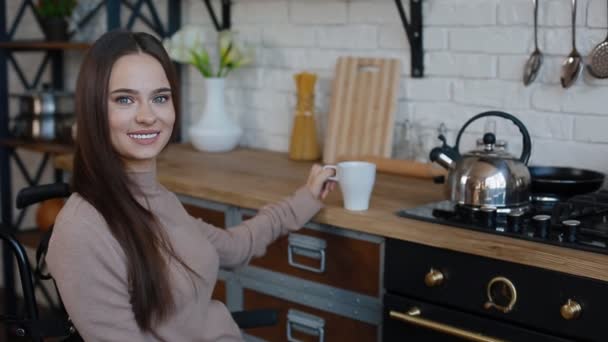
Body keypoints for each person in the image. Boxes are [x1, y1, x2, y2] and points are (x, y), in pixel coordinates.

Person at [46, 30, 336, 341]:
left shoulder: (158, 199)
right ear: (93, 110)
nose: (148, 116)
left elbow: (236, 246)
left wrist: (306, 198)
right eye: (125, 99)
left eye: (160, 98)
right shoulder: (81, 230)